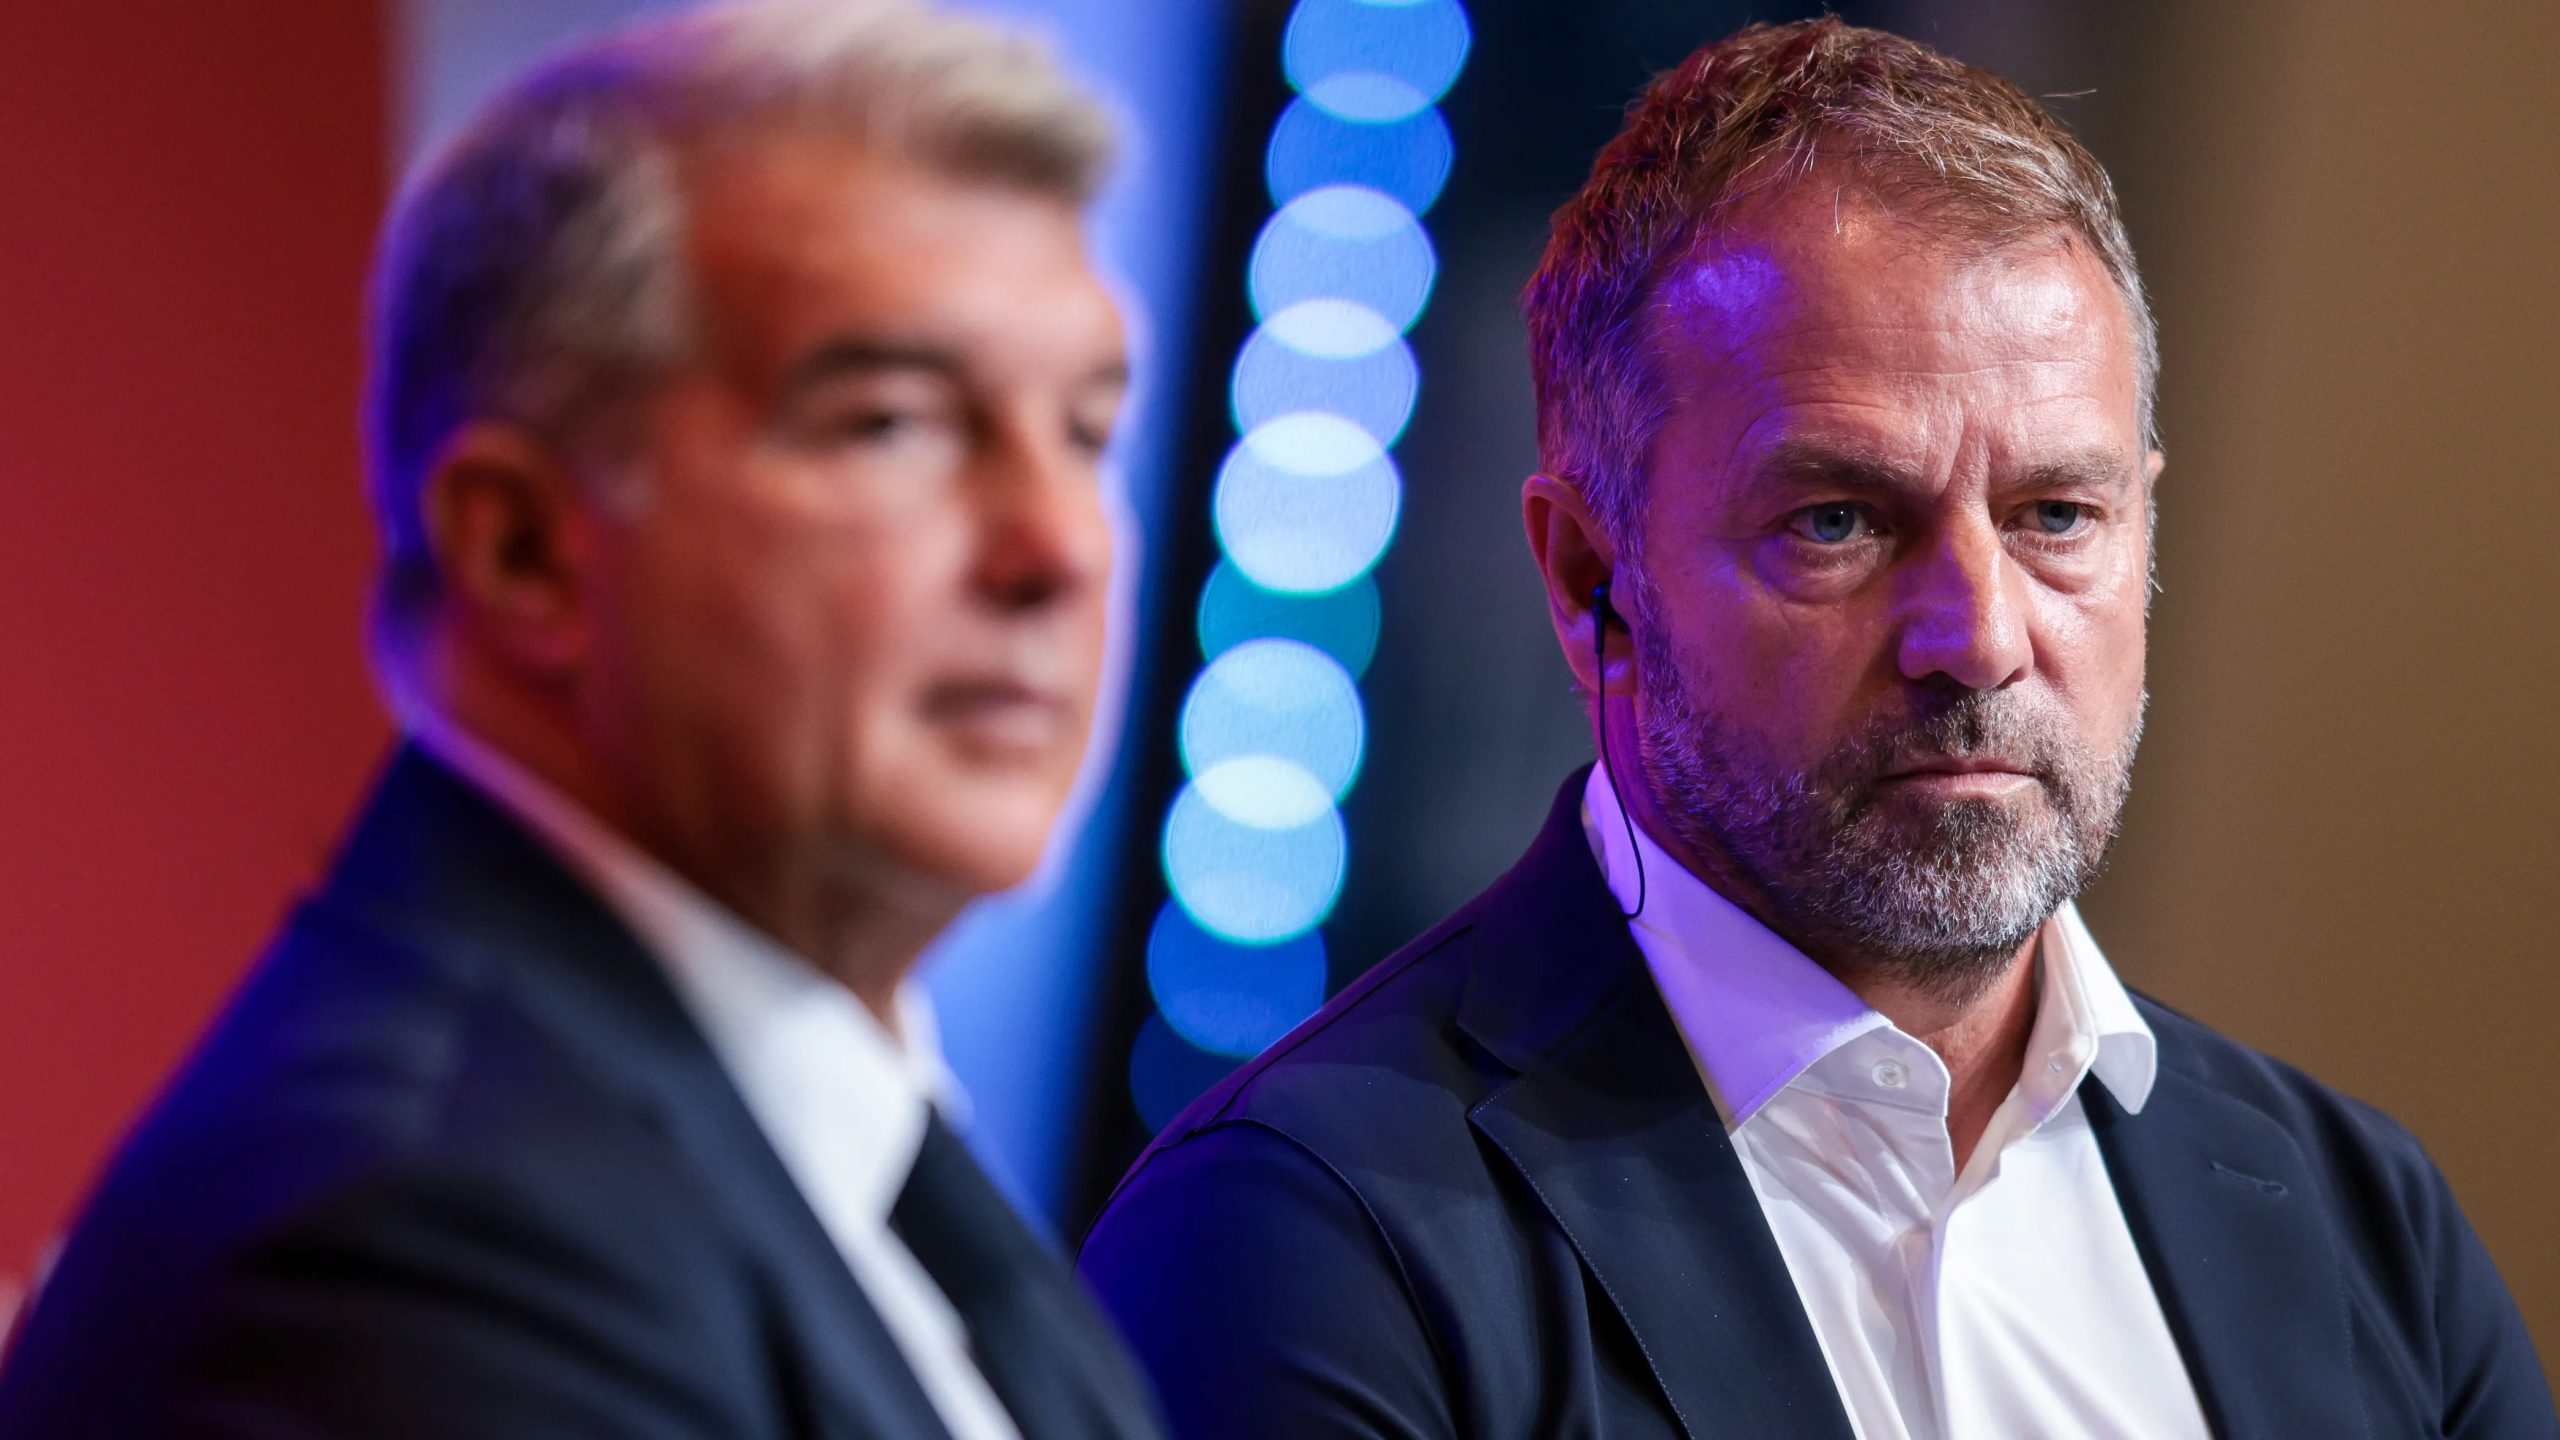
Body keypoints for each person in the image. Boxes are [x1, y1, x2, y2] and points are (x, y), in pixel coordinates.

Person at [1079, 18, 2554, 1440]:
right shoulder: (1295, 1239)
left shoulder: (2370, 1237)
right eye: (1838, 521)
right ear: (1591, 579)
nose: (1979, 634)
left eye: (2056, 515)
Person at [0, 2, 1160, 1437]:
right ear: (525, 553)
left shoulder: (852, 1158)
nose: (1059, 546)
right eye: (892, 423)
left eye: (1087, 434)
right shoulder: (421, 1238)